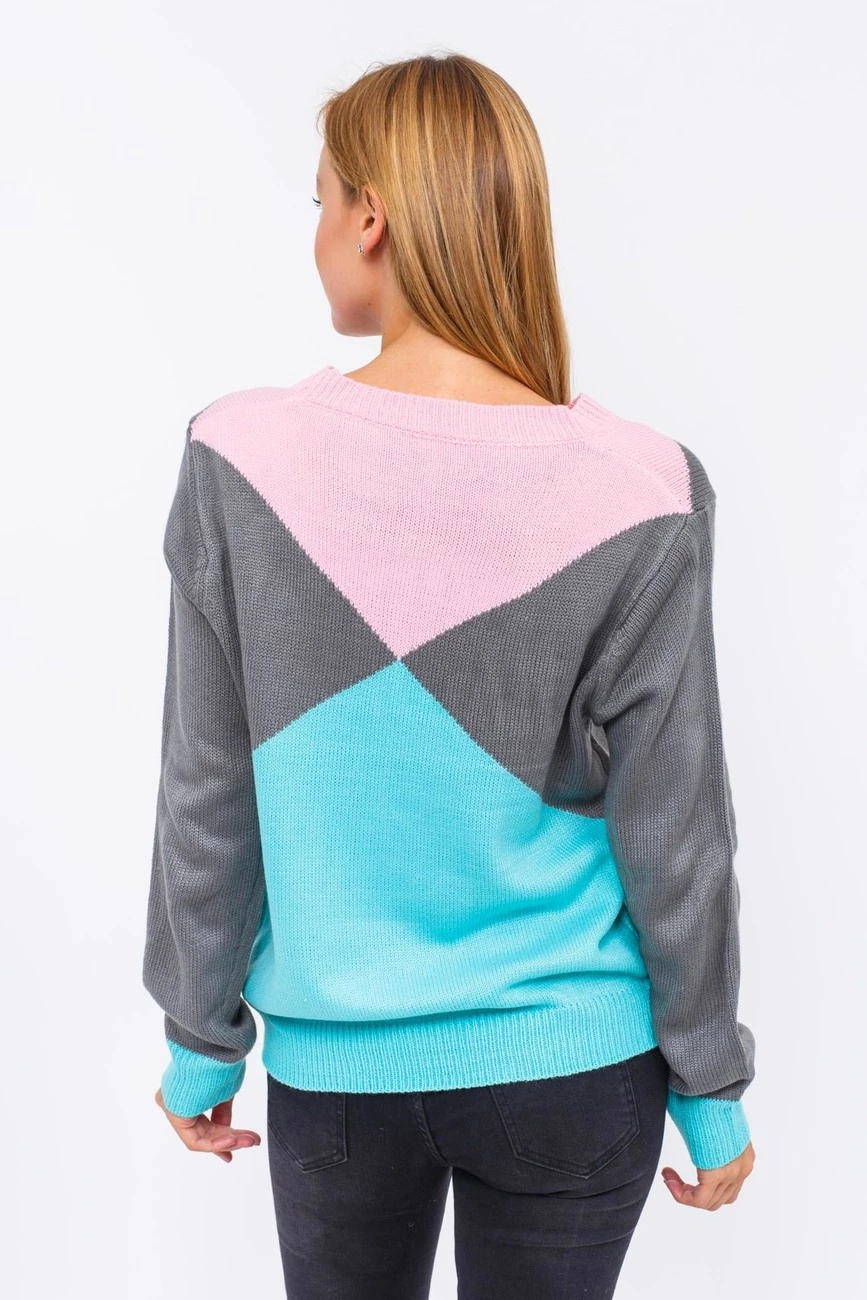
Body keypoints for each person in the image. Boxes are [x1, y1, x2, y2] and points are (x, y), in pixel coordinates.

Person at [142, 50, 757, 1299]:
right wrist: (711, 1086)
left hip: (338, 1081)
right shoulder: (644, 486)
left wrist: (201, 1041)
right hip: (576, 1069)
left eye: (322, 199)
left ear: (371, 217)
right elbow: (677, 827)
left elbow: (209, 792)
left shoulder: (237, 461)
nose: (318, 230)